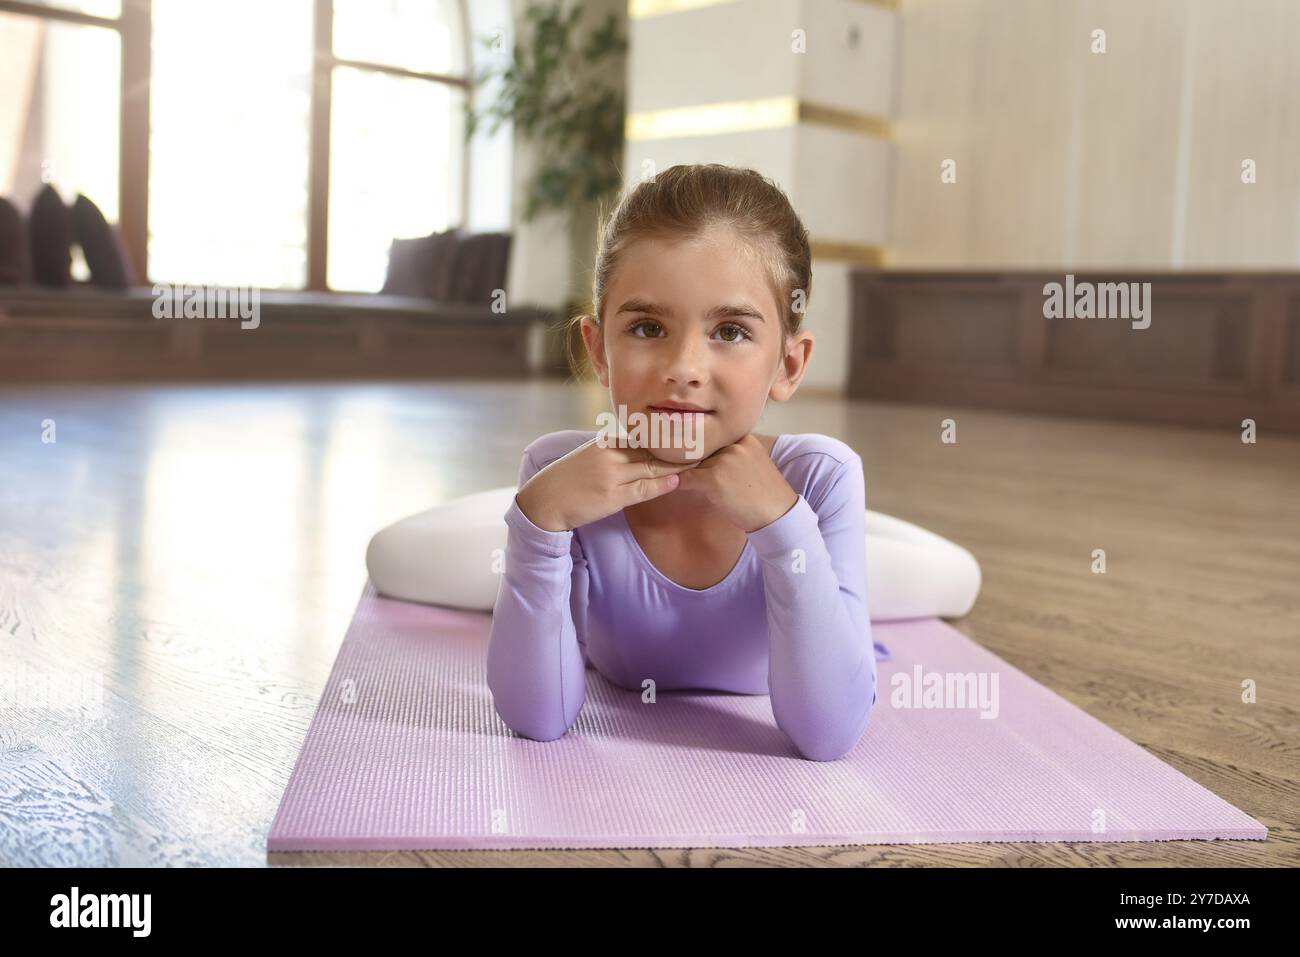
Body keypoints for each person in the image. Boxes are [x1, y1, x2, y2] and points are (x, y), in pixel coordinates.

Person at [488, 163, 875, 761]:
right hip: (563, 497)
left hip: (807, 525)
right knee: (401, 560)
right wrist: (535, 528)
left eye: (730, 331)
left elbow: (829, 735)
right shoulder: (555, 472)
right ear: (599, 351)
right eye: (647, 326)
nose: (684, 367)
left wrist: (784, 526)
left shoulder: (821, 479)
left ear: (789, 366)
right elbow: (537, 719)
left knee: (942, 581)